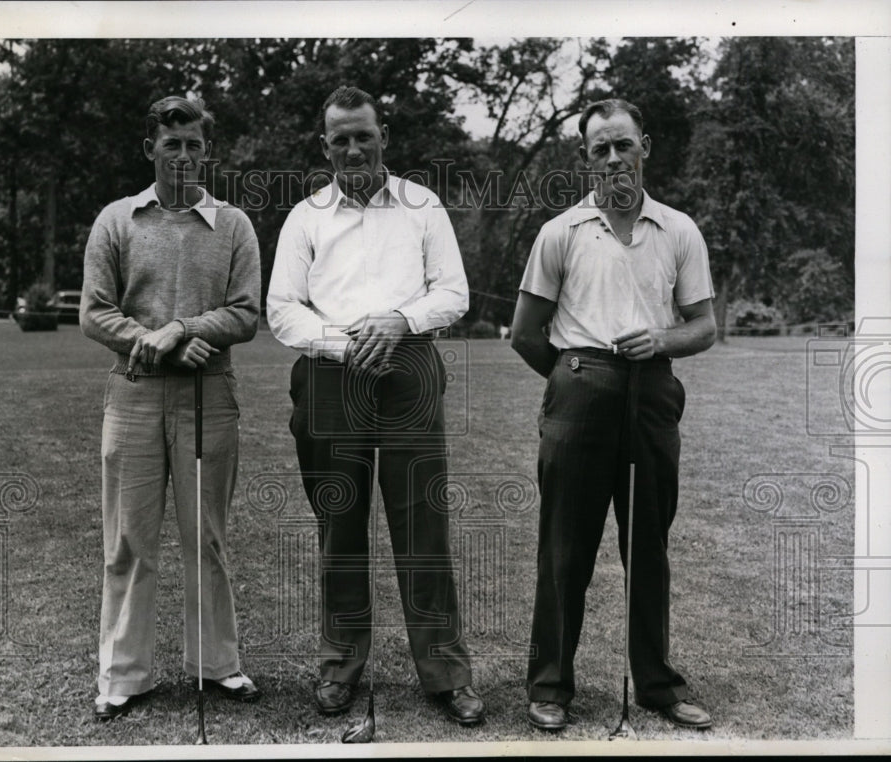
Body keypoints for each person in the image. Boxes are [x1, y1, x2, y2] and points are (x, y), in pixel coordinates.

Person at [266, 85, 485, 726]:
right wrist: (343, 342)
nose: (354, 148)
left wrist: (397, 321)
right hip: (330, 376)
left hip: (409, 366)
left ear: (383, 133)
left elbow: (453, 293)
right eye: (341, 138)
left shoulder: (423, 206)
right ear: (325, 144)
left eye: (364, 135)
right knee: (340, 525)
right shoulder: (306, 216)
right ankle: (340, 666)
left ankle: (445, 672)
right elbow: (281, 309)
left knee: (423, 527)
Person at [511, 98, 717, 732]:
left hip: (652, 394)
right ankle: (549, 685)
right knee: (564, 550)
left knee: (648, 546)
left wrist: (660, 341)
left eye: (623, 145)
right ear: (585, 158)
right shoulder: (561, 232)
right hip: (578, 392)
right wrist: (578, 377)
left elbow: (705, 325)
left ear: (644, 147)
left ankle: (656, 684)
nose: (613, 158)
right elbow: (525, 332)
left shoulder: (679, 229)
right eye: (599, 148)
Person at [81, 95, 262, 720]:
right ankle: (123, 676)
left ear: (206, 151)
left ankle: (218, 666)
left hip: (210, 396)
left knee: (206, 537)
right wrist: (153, 345)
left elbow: (244, 313)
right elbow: (94, 312)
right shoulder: (117, 220)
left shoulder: (233, 224)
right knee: (129, 541)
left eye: (193, 145)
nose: (183, 155)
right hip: (132, 394)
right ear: (150, 149)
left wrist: (180, 329)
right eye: (171, 144)